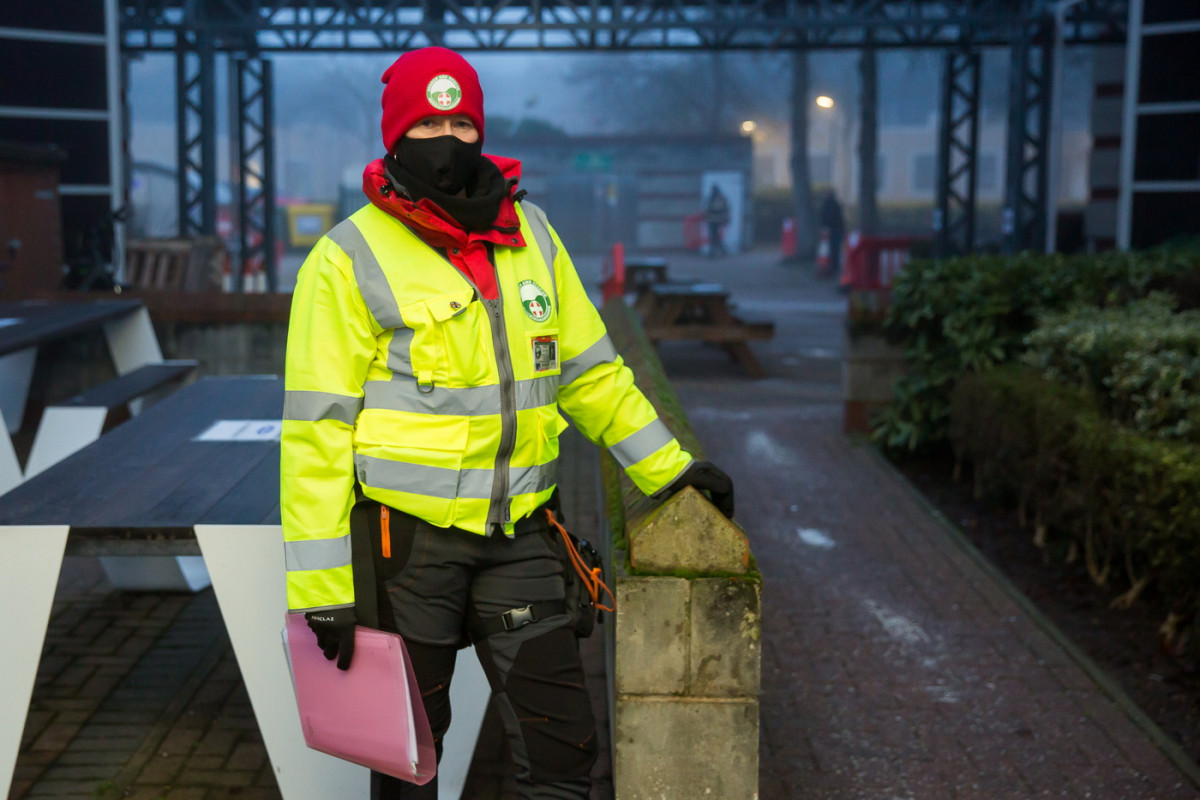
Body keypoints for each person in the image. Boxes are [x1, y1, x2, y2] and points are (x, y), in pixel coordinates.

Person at [280, 46, 735, 800]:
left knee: (563, 755)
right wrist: (322, 589)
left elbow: (589, 372)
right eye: (428, 122)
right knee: (407, 764)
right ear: (396, 136)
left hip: (523, 534)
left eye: (462, 121)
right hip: (408, 547)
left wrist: (670, 468)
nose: (448, 138)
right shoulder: (345, 258)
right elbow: (316, 432)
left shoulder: (533, 236)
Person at [818, 190, 845, 277]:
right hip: (836, 230)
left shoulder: (827, 206)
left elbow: (826, 217)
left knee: (831, 249)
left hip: (832, 230)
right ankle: (833, 266)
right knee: (834, 249)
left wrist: (825, 227)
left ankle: (831, 267)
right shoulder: (835, 205)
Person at [704, 184, 730, 257]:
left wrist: (725, 218)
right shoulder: (712, 198)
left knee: (715, 237)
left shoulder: (718, 198)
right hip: (714, 220)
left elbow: (724, 208)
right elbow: (707, 208)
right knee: (715, 237)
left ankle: (714, 252)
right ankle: (720, 251)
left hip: (716, 220)